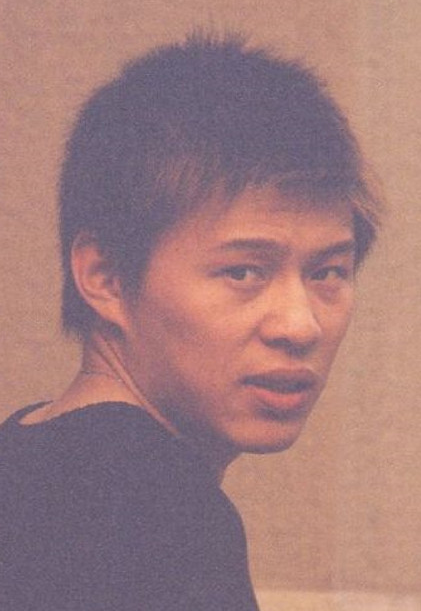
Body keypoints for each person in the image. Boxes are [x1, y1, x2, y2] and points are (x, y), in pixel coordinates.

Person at [0, 33, 381, 610]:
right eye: (243, 272)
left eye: (327, 272)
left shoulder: (24, 461)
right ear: (105, 276)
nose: (300, 325)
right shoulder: (158, 513)